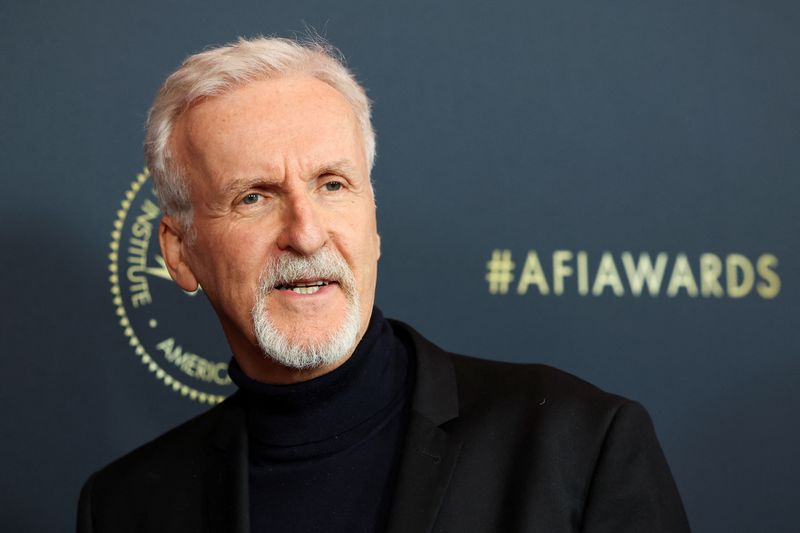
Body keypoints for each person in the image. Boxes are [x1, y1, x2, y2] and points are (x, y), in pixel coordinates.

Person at [78, 36, 691, 533]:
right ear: (179, 253)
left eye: (332, 185)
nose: (307, 233)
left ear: (373, 222)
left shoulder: (577, 442)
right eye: (255, 197)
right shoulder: (127, 508)